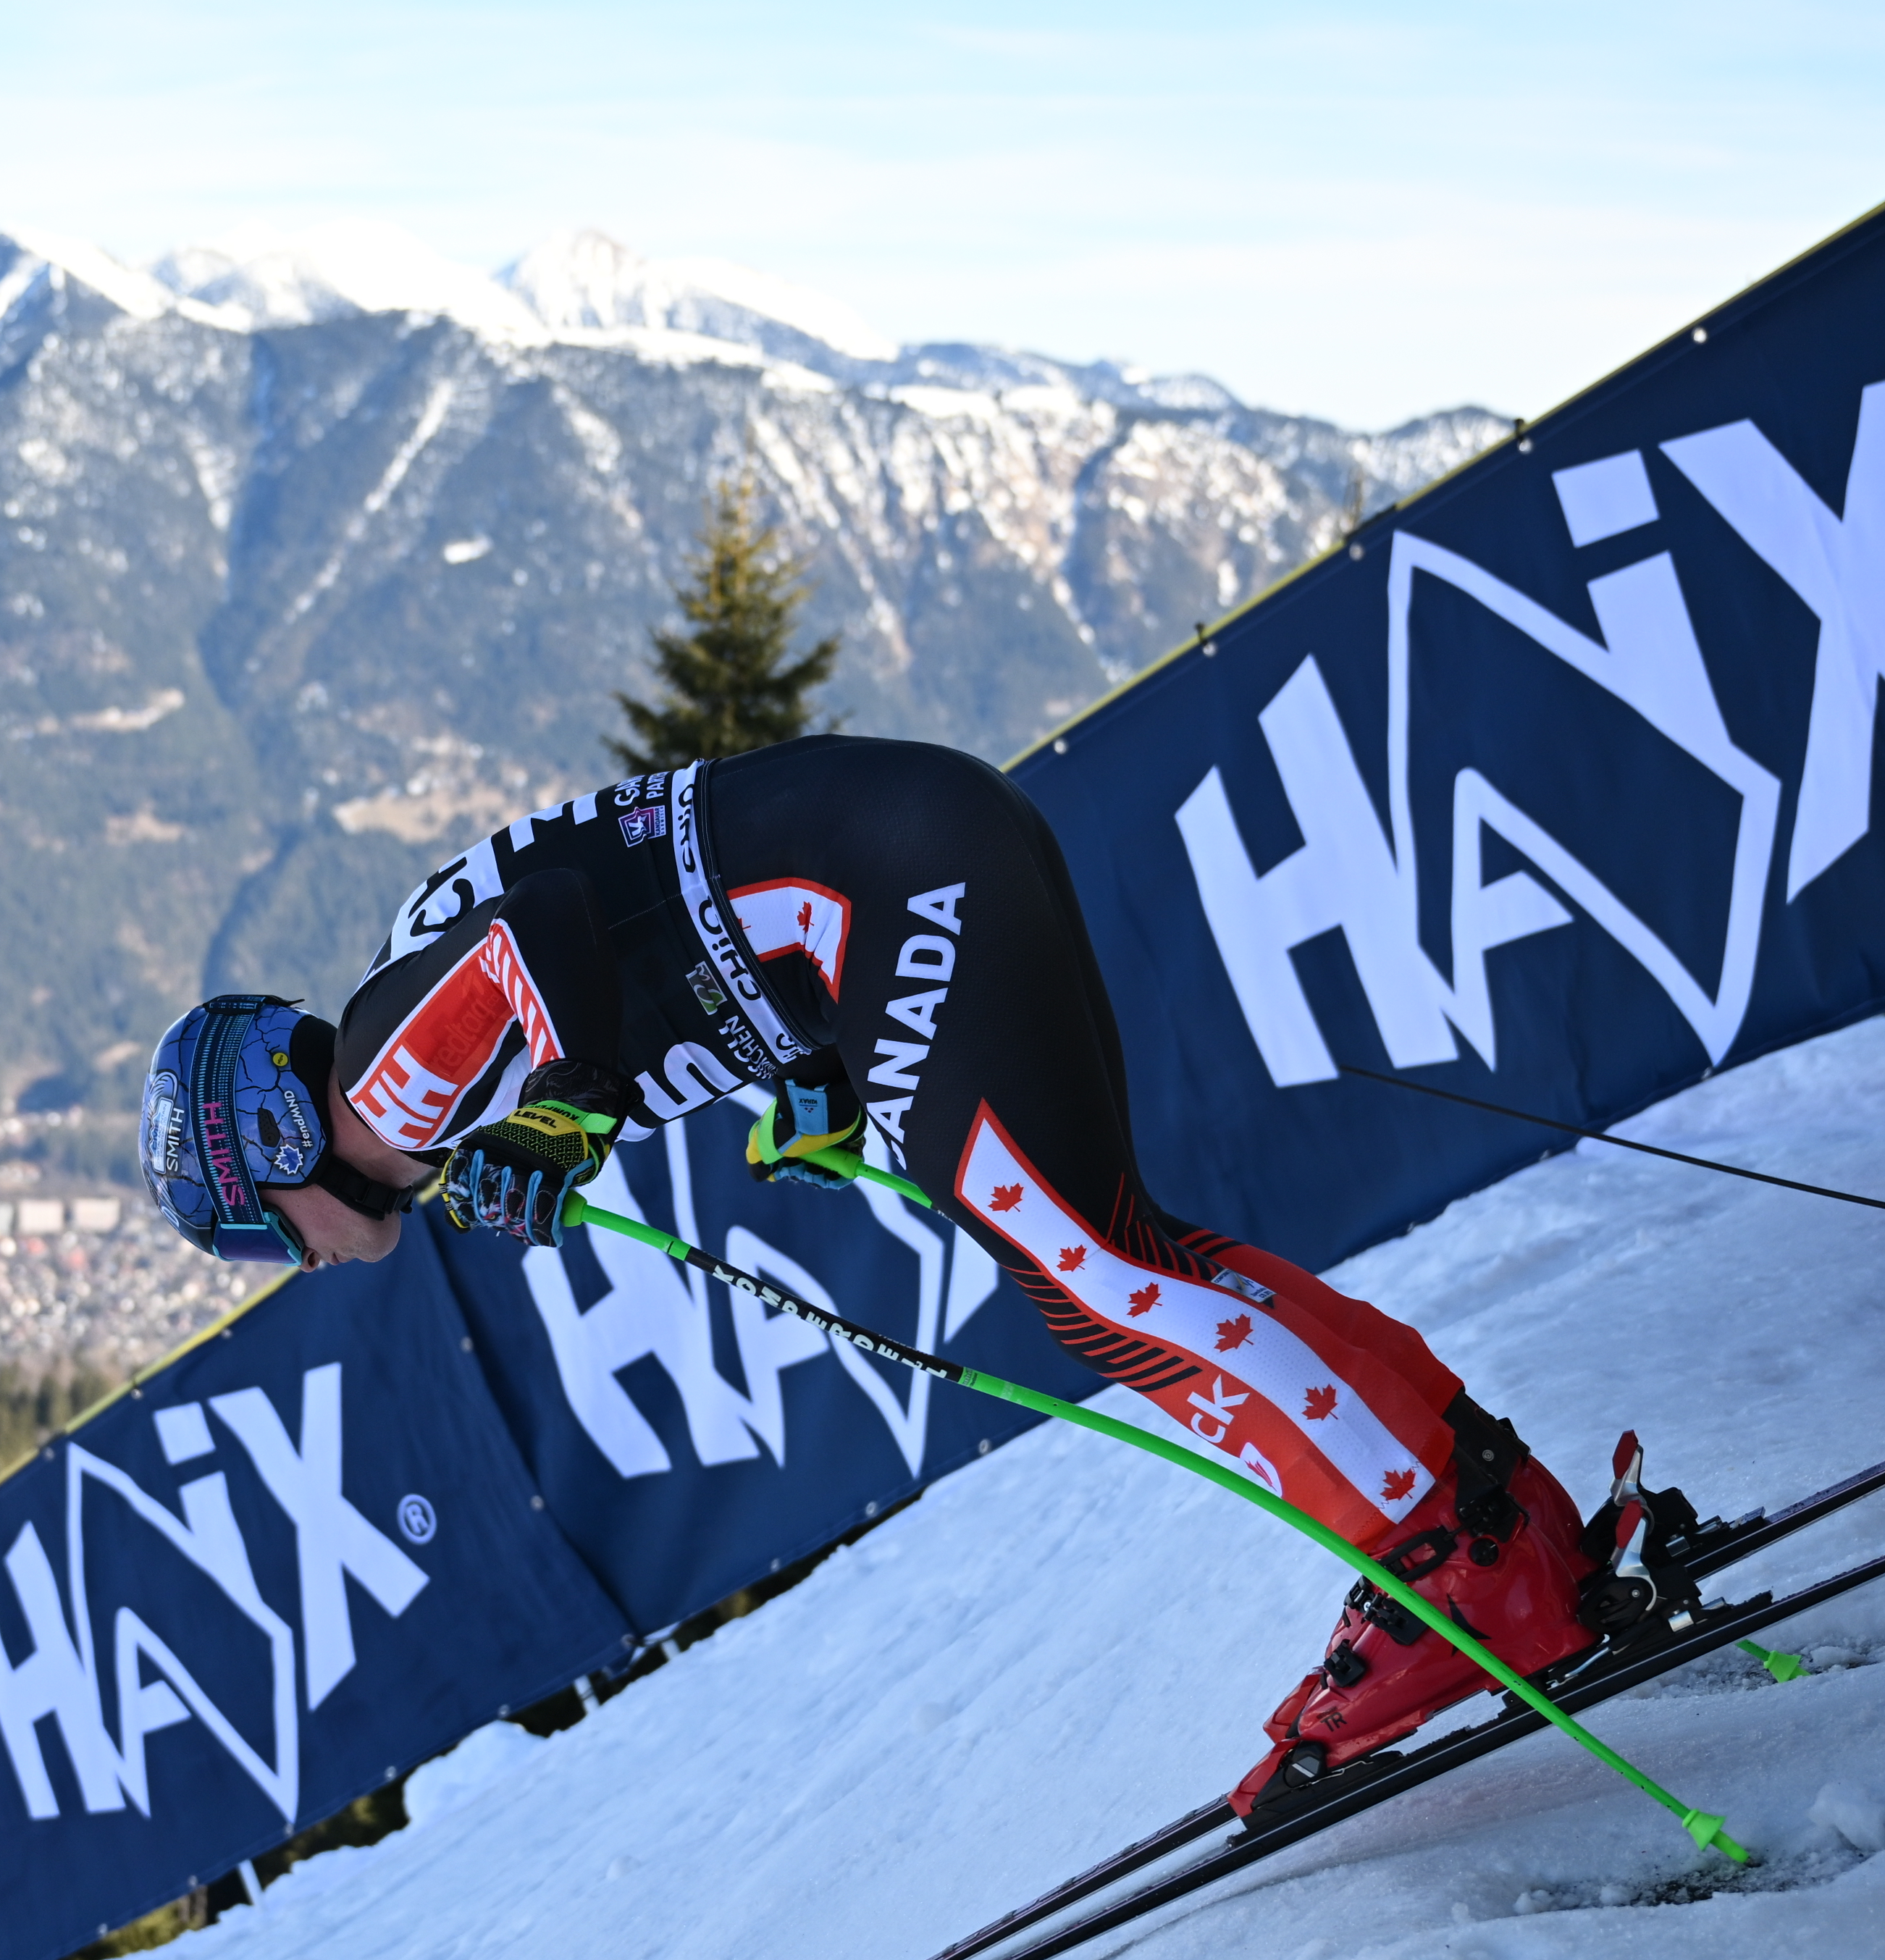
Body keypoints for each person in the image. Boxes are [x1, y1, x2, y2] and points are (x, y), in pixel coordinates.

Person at [136, 733, 1641, 1820]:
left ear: (272, 1143)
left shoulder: (393, 1096)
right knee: (1122, 1261)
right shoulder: (415, 1053)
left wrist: (554, 1112)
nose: (295, 1260)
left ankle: (1467, 1558)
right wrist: (799, 1073)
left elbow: (552, 936)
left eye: (257, 1229)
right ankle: (1485, 1519)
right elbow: (644, 918)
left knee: (1097, 1278)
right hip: (907, 865)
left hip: (892, 901)